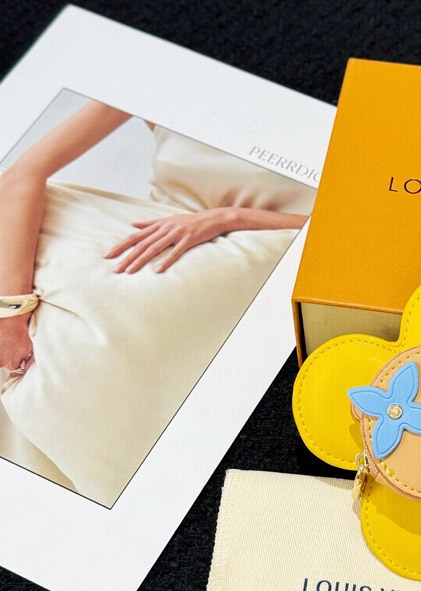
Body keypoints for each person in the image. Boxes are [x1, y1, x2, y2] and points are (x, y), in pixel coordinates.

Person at [0, 100, 314, 506]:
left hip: (272, 241)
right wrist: (10, 310)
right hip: (148, 234)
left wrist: (230, 218)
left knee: (77, 371)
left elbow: (361, 227)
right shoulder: (154, 82)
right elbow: (23, 173)